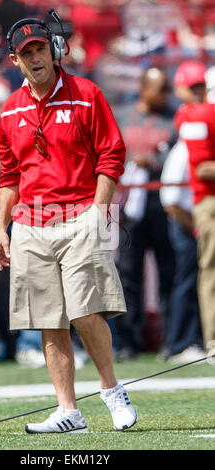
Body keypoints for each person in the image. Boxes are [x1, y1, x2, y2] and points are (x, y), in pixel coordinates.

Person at [0, 15, 137, 434]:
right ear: (15, 60)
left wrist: (99, 211)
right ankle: (69, 411)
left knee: (87, 312)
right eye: (25, 53)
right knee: (49, 321)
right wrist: (1, 229)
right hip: (30, 225)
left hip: (79, 216)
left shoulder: (87, 95)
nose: (34, 58)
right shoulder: (9, 111)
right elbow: (9, 177)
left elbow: (112, 154)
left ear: (53, 50)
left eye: (39, 49)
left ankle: (112, 390)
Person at [112, 67, 176, 360]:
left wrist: (157, 162)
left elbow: (178, 157)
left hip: (161, 202)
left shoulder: (172, 119)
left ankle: (170, 339)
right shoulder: (123, 115)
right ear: (143, 88)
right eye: (159, 89)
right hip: (129, 205)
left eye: (166, 89)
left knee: (168, 272)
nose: (164, 95)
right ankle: (128, 341)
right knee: (128, 275)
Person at [174, 60, 215, 356]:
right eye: (193, 87)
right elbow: (203, 169)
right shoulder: (197, 116)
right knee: (210, 271)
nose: (197, 91)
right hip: (209, 199)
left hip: (205, 199)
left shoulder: (193, 116)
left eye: (200, 85)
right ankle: (213, 339)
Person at [160, 138, 204, 363]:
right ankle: (180, 343)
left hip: (195, 222)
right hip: (185, 223)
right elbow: (171, 201)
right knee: (187, 282)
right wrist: (196, 230)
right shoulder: (183, 150)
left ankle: (192, 339)